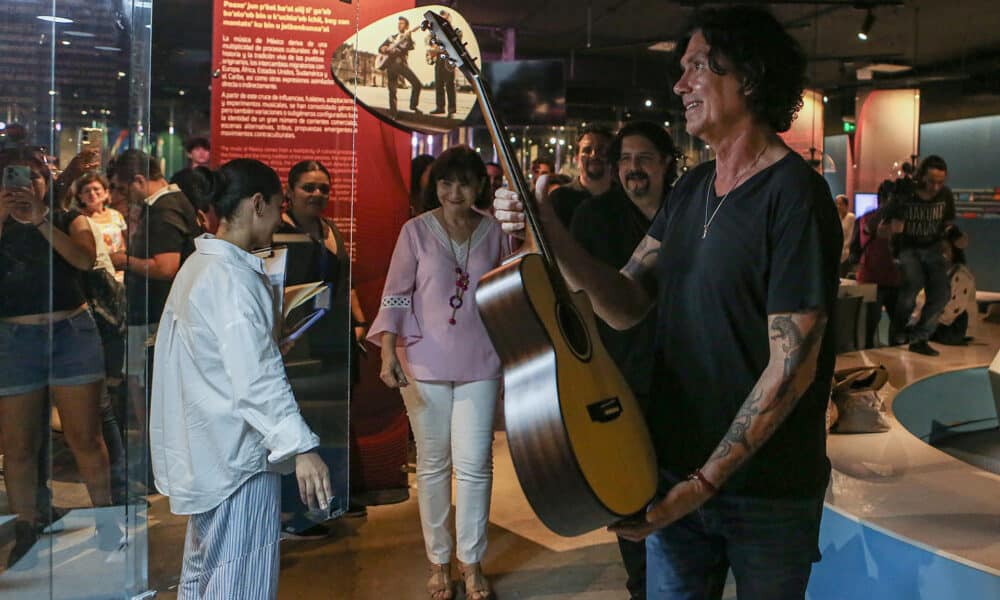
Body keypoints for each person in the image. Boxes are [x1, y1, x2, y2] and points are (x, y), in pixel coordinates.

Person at [495, 7, 840, 598]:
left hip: (766, 495)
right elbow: (624, 302)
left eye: (698, 67)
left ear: (750, 76)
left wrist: (703, 485)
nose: (680, 85)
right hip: (673, 468)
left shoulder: (795, 196)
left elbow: (792, 365)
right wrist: (548, 229)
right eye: (681, 70)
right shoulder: (691, 191)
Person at [150, 158, 331, 599]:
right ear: (257, 204)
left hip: (206, 448)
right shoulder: (232, 275)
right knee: (241, 583)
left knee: (203, 573)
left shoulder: (199, 267)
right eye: (277, 204)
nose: (277, 217)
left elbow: (224, 359)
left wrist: (267, 342)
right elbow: (257, 379)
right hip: (238, 457)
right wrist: (301, 446)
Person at [368, 146, 510, 600]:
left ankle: (472, 564)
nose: (454, 191)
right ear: (436, 186)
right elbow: (395, 294)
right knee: (433, 465)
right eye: (446, 182)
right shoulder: (415, 231)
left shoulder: (495, 232)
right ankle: (438, 562)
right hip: (423, 361)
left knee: (475, 465)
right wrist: (387, 351)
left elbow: (510, 289)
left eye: (464, 182)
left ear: (478, 187)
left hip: (482, 359)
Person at [568, 120, 676, 600]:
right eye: (625, 160)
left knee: (677, 490)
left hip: (684, 374)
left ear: (667, 164)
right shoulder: (594, 218)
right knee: (631, 492)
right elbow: (575, 295)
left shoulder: (689, 212)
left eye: (645, 159)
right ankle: (641, 588)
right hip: (619, 376)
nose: (634, 170)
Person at [0, 149, 116, 568]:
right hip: (14, 338)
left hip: (71, 332)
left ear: (47, 182)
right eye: (14, 177)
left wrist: (40, 220)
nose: (26, 185)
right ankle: (26, 525)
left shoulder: (68, 218)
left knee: (85, 437)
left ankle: (106, 516)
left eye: (34, 177)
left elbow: (84, 259)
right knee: (17, 446)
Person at [277, 159, 369, 524]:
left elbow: (347, 282)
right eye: (308, 187)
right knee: (300, 424)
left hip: (335, 341)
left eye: (323, 189)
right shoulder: (275, 233)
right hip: (296, 345)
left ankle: (331, 500)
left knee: (334, 420)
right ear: (289, 192)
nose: (317, 194)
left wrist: (360, 322)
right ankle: (295, 511)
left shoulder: (330, 228)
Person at [881, 155, 956, 356]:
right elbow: (886, 222)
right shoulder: (907, 194)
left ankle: (920, 338)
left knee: (941, 293)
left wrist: (952, 239)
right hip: (909, 247)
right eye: (931, 181)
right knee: (911, 288)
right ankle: (897, 332)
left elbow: (947, 223)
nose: (935, 187)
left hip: (932, 247)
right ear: (922, 177)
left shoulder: (945, 196)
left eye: (940, 182)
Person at [855, 195, 901, 348]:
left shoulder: (899, 221)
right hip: (872, 278)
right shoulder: (869, 218)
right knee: (871, 321)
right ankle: (867, 351)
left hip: (894, 278)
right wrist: (886, 209)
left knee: (897, 321)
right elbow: (868, 228)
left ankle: (894, 351)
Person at [550, 126, 614, 226]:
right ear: (576, 158)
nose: (594, 155)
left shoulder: (626, 198)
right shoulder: (559, 198)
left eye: (601, 149)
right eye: (587, 150)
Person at [380, 16, 422, 119]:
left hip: (401, 64)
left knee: (417, 84)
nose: (399, 25)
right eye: (399, 23)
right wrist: (384, 49)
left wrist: (409, 36)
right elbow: (380, 48)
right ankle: (393, 114)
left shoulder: (407, 38)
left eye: (402, 23)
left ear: (407, 26)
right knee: (392, 90)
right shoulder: (391, 37)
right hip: (391, 65)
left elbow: (410, 47)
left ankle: (413, 106)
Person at [428, 10, 457, 117]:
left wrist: (437, 50)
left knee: (449, 84)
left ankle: (451, 110)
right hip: (439, 60)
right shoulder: (437, 33)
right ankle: (440, 107)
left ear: (449, 18)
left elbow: (452, 46)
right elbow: (431, 42)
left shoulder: (455, 31)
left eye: (444, 18)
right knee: (439, 84)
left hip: (449, 60)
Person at [836, 194, 855, 276]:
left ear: (846, 205)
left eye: (840, 204)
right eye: (837, 203)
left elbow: (851, 235)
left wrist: (845, 248)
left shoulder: (850, 217)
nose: (838, 206)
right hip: (838, 252)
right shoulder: (837, 218)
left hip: (847, 253)